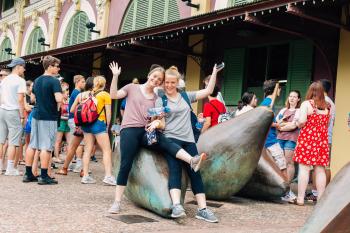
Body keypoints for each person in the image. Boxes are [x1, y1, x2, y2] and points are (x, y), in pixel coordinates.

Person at [108, 62, 205, 214]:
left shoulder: (156, 98)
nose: (156, 80)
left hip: (146, 130)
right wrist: (115, 76)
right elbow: (113, 95)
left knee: (165, 141)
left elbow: (160, 120)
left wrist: (156, 122)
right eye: (154, 77)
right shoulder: (131, 88)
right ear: (149, 75)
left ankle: (191, 160)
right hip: (130, 130)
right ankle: (117, 201)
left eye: (159, 79)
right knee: (126, 164)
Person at [155, 65, 222, 222]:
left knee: (195, 173)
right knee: (175, 170)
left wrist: (213, 73)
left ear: (178, 82)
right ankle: (177, 206)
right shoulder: (161, 99)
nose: (169, 85)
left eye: (173, 82)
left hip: (189, 139)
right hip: (171, 139)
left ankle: (203, 209)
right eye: (167, 82)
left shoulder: (185, 96)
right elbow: (160, 122)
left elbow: (207, 91)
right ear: (163, 83)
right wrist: (157, 121)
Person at [23, 55, 63, 185]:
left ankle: (28, 174)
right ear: (50, 66)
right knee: (47, 146)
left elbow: (33, 99)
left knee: (33, 144)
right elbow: (58, 99)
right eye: (57, 66)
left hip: (36, 115)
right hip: (48, 116)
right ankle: (44, 176)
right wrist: (61, 94)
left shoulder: (37, 80)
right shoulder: (54, 81)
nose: (58, 69)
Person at [70, 76, 115, 185]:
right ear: (104, 84)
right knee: (106, 150)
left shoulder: (86, 94)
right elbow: (108, 113)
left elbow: (73, 109)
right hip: (99, 123)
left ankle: (85, 176)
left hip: (86, 124)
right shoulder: (105, 95)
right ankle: (108, 176)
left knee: (87, 149)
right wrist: (108, 126)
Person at [293, 81, 330, 205]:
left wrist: (297, 122)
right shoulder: (327, 106)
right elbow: (327, 124)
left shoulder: (306, 104)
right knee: (320, 170)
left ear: (310, 91)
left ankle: (300, 199)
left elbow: (302, 121)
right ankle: (320, 200)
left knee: (304, 169)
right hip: (322, 141)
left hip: (308, 139)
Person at [305, 79, 336, 202]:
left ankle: (317, 192)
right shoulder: (330, 102)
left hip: (319, 137)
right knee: (323, 166)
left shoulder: (323, 101)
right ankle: (321, 192)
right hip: (327, 136)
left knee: (319, 167)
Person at [0, 58, 26, 176]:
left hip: (2, 110)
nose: (24, 70)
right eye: (23, 67)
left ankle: (0, 167)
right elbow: (20, 99)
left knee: (1, 140)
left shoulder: (4, 80)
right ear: (19, 66)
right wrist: (21, 114)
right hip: (13, 111)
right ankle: (10, 168)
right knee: (13, 141)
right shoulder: (20, 81)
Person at [56, 75, 86, 175]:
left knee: (73, 143)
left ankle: (69, 165)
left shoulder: (75, 92)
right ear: (77, 82)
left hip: (72, 119)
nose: (84, 83)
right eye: (82, 81)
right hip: (74, 119)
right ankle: (78, 165)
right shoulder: (77, 93)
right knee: (77, 144)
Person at [276, 90, 301, 202]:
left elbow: (293, 126)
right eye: (290, 96)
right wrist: (283, 126)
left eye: (294, 97)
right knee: (279, 162)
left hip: (291, 138)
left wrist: (282, 126)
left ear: (298, 99)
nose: (292, 98)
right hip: (280, 138)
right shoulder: (283, 110)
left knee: (289, 162)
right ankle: (279, 186)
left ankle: (287, 188)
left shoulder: (299, 111)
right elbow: (277, 123)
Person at [260, 80, 287, 179]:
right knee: (282, 167)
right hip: (270, 141)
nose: (280, 90)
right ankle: (286, 192)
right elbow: (263, 120)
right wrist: (276, 125)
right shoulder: (268, 102)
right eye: (279, 88)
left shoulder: (266, 102)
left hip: (267, 140)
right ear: (275, 89)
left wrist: (277, 124)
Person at [53, 82, 70, 164]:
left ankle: (69, 157)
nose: (68, 95)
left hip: (67, 122)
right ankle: (56, 156)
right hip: (61, 121)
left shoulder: (68, 100)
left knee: (69, 141)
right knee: (58, 140)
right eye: (66, 93)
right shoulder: (59, 101)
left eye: (68, 93)